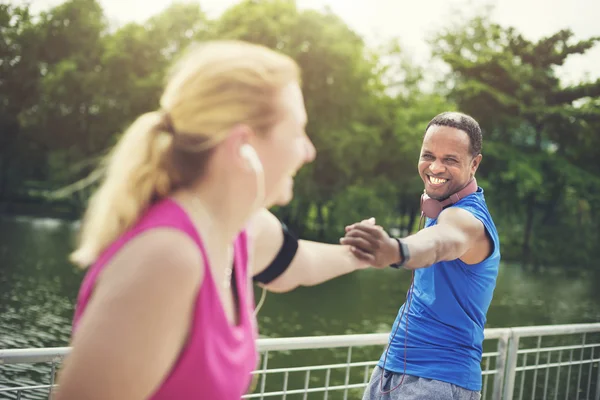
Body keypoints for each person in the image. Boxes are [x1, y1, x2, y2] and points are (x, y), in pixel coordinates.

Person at [53, 40, 381, 400]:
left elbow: (298, 263)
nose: (308, 150)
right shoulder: (166, 259)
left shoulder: (240, 232)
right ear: (244, 145)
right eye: (298, 131)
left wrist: (362, 254)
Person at [341, 112, 500, 400]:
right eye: (429, 155)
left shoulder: (467, 220)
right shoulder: (439, 208)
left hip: (439, 381)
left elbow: (440, 243)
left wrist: (394, 250)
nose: (435, 167)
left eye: (450, 159)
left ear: (474, 164)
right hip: (391, 368)